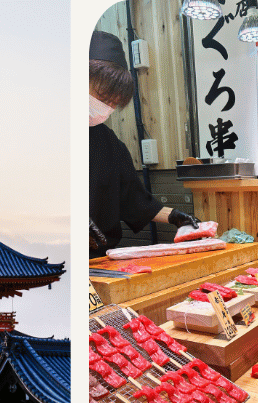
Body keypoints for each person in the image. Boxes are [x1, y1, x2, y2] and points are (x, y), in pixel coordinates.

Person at [89, 30, 201, 258]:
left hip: (97, 261)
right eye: (102, 97)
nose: (107, 107)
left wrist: (175, 216)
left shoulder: (109, 144)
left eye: (113, 102)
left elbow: (135, 200)